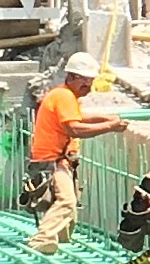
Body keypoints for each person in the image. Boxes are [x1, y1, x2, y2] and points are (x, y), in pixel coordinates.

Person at [24, 50, 124, 253]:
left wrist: (106, 119)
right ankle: (41, 239)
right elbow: (74, 129)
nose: (88, 86)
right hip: (52, 161)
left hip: (59, 161)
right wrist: (110, 127)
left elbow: (78, 119)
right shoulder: (64, 96)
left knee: (69, 211)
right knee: (66, 201)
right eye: (84, 81)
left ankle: (60, 240)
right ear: (71, 77)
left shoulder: (65, 96)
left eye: (91, 82)